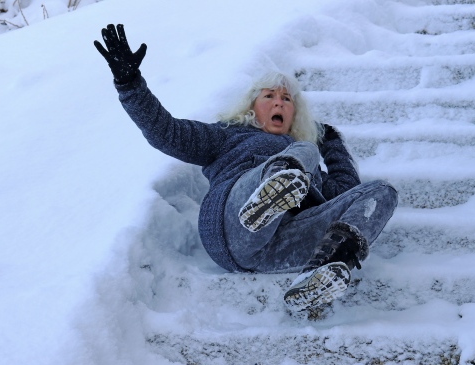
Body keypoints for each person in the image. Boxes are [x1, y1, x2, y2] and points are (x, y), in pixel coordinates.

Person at [94, 24, 398, 313]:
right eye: (270, 96)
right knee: (302, 150)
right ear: (253, 106)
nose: (279, 103)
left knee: (382, 192)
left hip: (280, 248)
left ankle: (323, 269)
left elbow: (348, 194)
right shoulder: (227, 134)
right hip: (232, 227)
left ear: (294, 113)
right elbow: (167, 133)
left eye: (286, 99)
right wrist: (130, 84)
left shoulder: (310, 165)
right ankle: (270, 192)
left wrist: (331, 143)